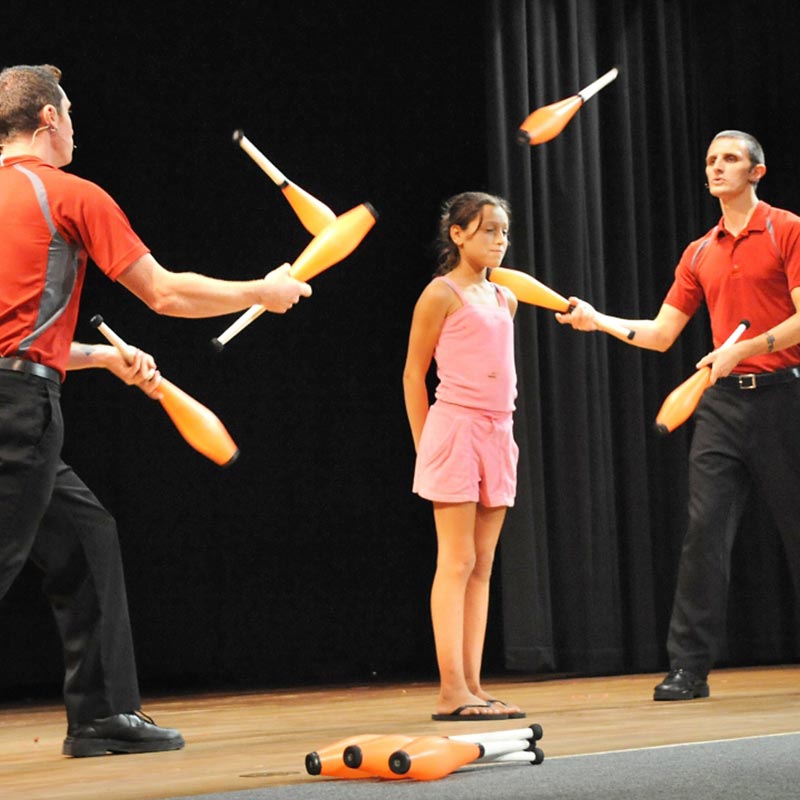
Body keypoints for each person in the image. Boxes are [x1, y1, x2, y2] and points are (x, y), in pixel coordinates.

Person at [0, 64, 312, 756]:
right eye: (70, 111)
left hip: (19, 394)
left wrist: (103, 357)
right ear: (47, 118)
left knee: (85, 534)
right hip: (19, 412)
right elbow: (165, 294)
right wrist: (262, 290)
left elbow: (14, 337)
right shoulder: (71, 194)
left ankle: (103, 715)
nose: (76, 124)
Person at [556, 130, 800, 701]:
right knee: (703, 532)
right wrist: (602, 321)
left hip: (784, 396)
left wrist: (747, 347)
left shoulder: (787, 229)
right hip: (721, 405)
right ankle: (688, 668)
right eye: (711, 159)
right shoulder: (699, 251)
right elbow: (664, 333)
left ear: (756, 172)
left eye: (730, 159)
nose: (716, 167)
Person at [403, 191, 526, 720]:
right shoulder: (440, 293)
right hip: (454, 431)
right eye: (487, 231)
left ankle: (473, 687)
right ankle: (450, 690)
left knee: (482, 565)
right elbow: (413, 374)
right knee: (455, 562)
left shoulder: (504, 299)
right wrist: (424, 445)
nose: (499, 240)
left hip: (499, 433)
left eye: (503, 232)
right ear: (458, 234)